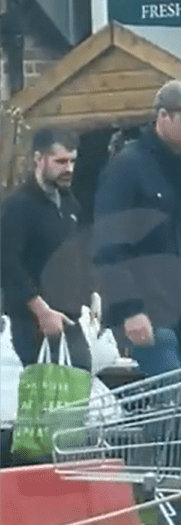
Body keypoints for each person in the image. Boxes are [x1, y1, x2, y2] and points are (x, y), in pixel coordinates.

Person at [92, 80, 181, 525]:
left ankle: (179, 519)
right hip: (150, 315)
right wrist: (127, 310)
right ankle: (167, 523)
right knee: (170, 419)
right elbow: (109, 246)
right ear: (162, 117)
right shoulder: (128, 170)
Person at [0, 127, 91, 372]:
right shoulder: (17, 207)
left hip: (69, 317)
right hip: (29, 323)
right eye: (60, 161)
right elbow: (8, 265)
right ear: (38, 160)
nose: (69, 168)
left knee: (79, 387)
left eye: (72, 161)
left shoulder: (70, 204)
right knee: (40, 400)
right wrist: (41, 311)